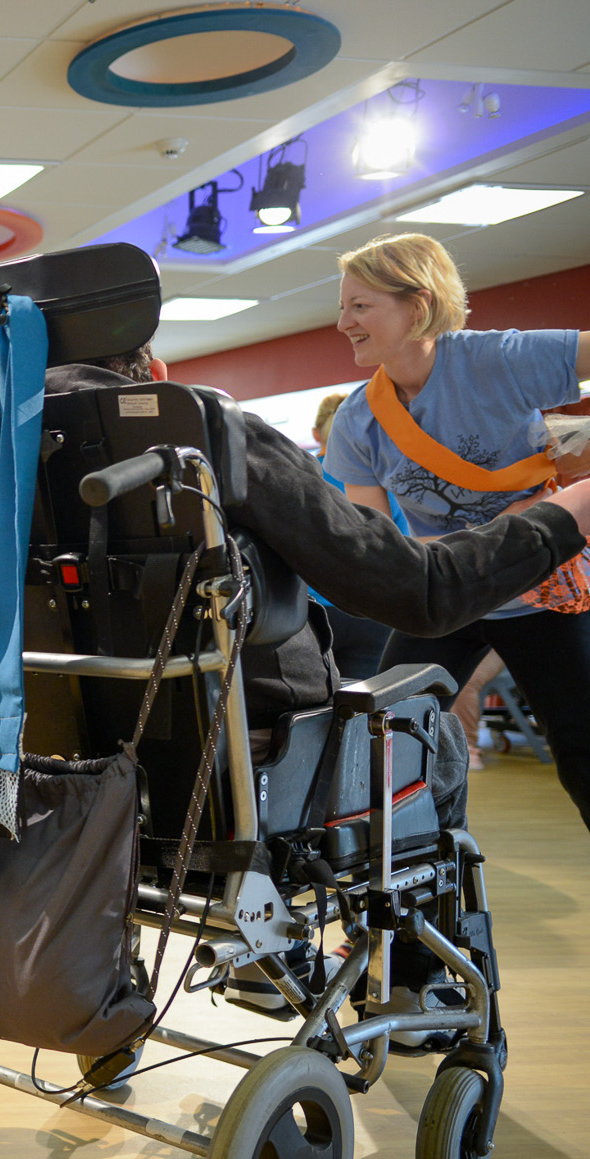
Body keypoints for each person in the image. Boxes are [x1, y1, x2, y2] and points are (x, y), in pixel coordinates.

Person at [47, 340, 590, 830]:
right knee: (434, 739)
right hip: (260, 766)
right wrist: (566, 515)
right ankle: (418, 942)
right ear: (158, 374)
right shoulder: (215, 440)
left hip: (60, 773)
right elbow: (423, 594)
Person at [320, 232, 590, 829]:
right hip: (448, 600)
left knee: (583, 752)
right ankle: (432, 882)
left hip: (543, 593)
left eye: (359, 305)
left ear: (415, 306)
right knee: (381, 739)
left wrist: (583, 441)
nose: (342, 322)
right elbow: (379, 545)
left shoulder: (498, 359)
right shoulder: (359, 421)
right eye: (343, 306)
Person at [307, 389, 395, 679]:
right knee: (364, 714)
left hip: (313, 614)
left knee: (311, 714)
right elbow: (399, 547)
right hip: (373, 611)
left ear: (316, 434)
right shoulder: (383, 477)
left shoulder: (301, 475)